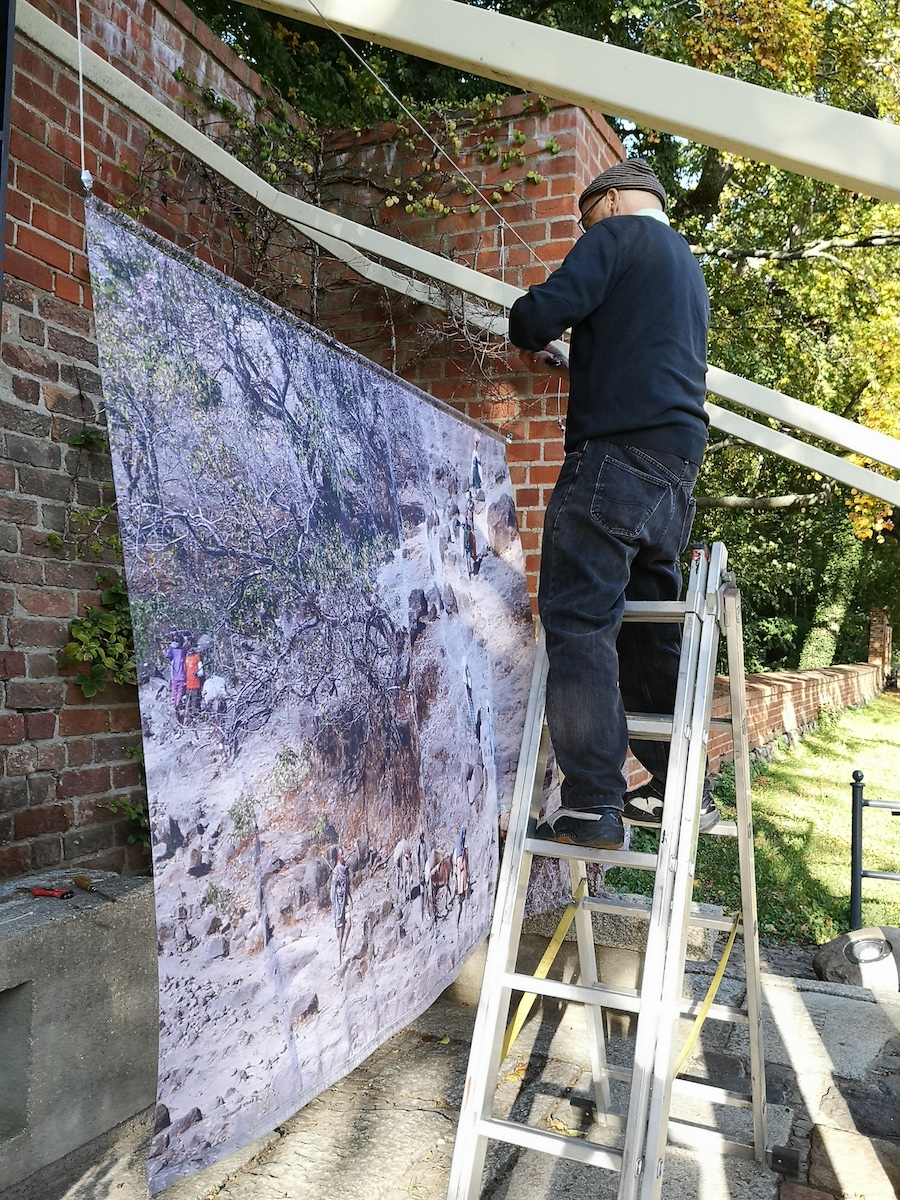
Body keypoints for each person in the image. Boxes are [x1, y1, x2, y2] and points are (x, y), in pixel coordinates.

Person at [508, 157, 717, 851]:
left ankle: (592, 804)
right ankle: (675, 786)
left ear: (618, 198)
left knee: (577, 622)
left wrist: (527, 318)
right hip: (674, 473)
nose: (582, 228)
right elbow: (639, 353)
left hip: (613, 465)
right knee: (645, 636)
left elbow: (541, 314)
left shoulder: (618, 235)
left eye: (585, 215)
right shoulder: (685, 266)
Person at [330, 848, 351, 964]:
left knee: (349, 924)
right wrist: (336, 882)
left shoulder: (345, 869)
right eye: (341, 854)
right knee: (340, 932)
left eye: (343, 854)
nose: (343, 856)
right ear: (337, 857)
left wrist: (350, 898)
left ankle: (344, 948)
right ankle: (339, 960)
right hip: (339, 904)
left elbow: (348, 885)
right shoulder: (336, 871)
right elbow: (332, 893)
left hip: (346, 902)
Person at [164, 631, 186, 715]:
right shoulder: (179, 647)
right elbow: (168, 657)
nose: (175, 637)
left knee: (177, 691)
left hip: (178, 672)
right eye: (174, 636)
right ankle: (176, 705)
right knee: (177, 690)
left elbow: (167, 656)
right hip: (178, 673)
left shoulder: (175, 647)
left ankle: (176, 705)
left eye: (176, 635)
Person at [184, 642, 204, 720]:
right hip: (188, 685)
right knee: (188, 703)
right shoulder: (186, 657)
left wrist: (197, 674)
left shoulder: (197, 657)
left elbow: (201, 672)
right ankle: (189, 719)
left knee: (195, 703)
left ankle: (195, 719)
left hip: (195, 685)